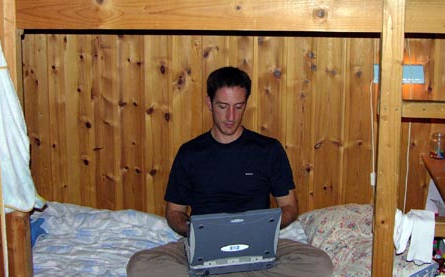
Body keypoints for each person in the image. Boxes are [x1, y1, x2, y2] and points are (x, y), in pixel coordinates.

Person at [126, 66, 334, 277]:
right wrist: (196, 230)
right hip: (204, 244)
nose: (231, 116)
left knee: (320, 264)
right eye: (223, 106)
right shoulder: (190, 153)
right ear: (209, 103)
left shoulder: (268, 150)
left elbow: (289, 207)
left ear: (246, 104)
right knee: (140, 265)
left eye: (238, 106)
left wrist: (263, 227)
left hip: (257, 242)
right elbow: (174, 212)